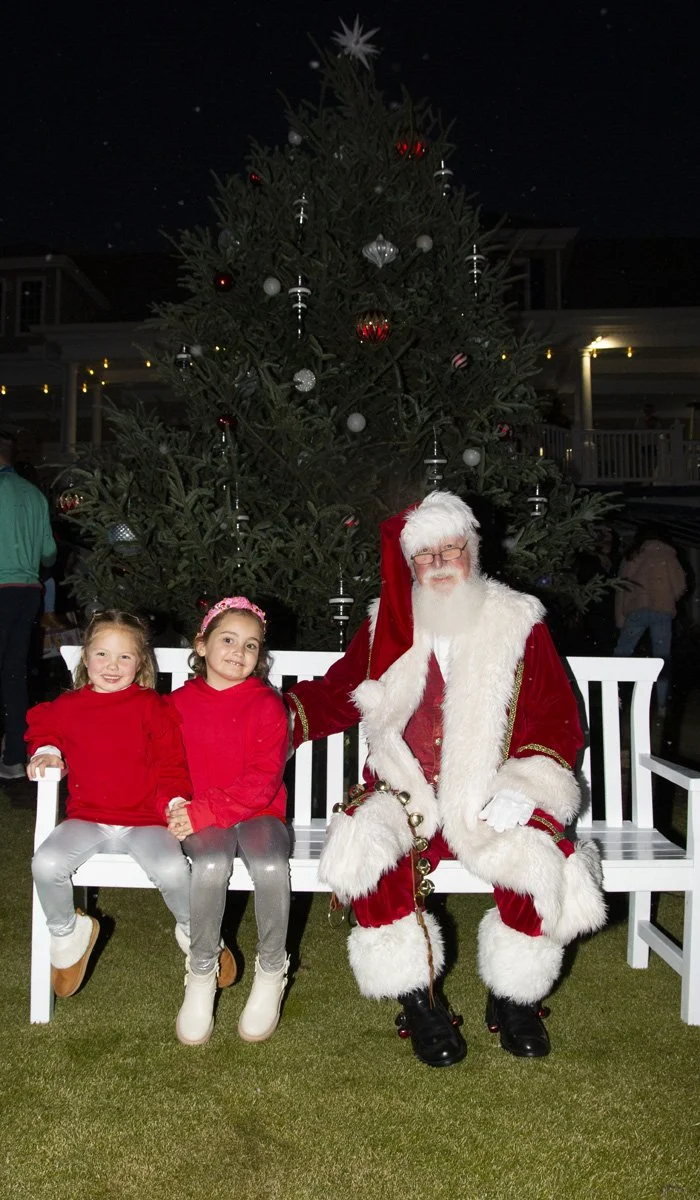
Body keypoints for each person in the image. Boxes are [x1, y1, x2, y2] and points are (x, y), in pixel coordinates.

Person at [285, 491, 606, 1066]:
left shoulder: (518, 621)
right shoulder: (389, 624)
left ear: (471, 553)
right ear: (410, 566)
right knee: (369, 848)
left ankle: (514, 998)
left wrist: (522, 786)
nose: (438, 565)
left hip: (492, 792)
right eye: (424, 556)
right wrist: (267, 720)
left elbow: (556, 715)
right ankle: (418, 996)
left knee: (536, 854)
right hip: (405, 788)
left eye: (449, 551)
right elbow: (337, 693)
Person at [27, 610, 196, 1008]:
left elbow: (171, 764)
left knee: (173, 870)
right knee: (45, 864)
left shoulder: (151, 707)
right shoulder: (69, 707)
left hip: (145, 821)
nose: (112, 666)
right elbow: (44, 728)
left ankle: (198, 935)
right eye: (102, 655)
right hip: (87, 817)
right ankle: (68, 935)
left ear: (141, 664)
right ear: (85, 658)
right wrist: (48, 752)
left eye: (124, 657)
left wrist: (175, 801)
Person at [167, 597, 291, 1047]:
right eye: (228, 640)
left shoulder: (267, 704)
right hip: (205, 819)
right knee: (211, 864)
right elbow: (163, 766)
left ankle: (272, 969)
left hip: (258, 813)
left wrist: (202, 811)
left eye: (251, 645)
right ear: (201, 645)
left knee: (272, 866)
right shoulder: (177, 704)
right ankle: (202, 972)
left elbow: (262, 781)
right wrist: (178, 805)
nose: (239, 652)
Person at [0, 430, 57, 779]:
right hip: (25, 592)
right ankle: (14, 759)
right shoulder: (35, 495)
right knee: (15, 675)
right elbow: (48, 553)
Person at [613, 524, 687, 716]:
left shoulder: (633, 555)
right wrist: (667, 596)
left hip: (636, 610)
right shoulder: (669, 556)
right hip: (662, 610)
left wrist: (620, 617)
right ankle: (661, 704)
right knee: (662, 658)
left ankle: (614, 695)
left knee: (622, 653)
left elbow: (621, 587)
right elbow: (680, 586)